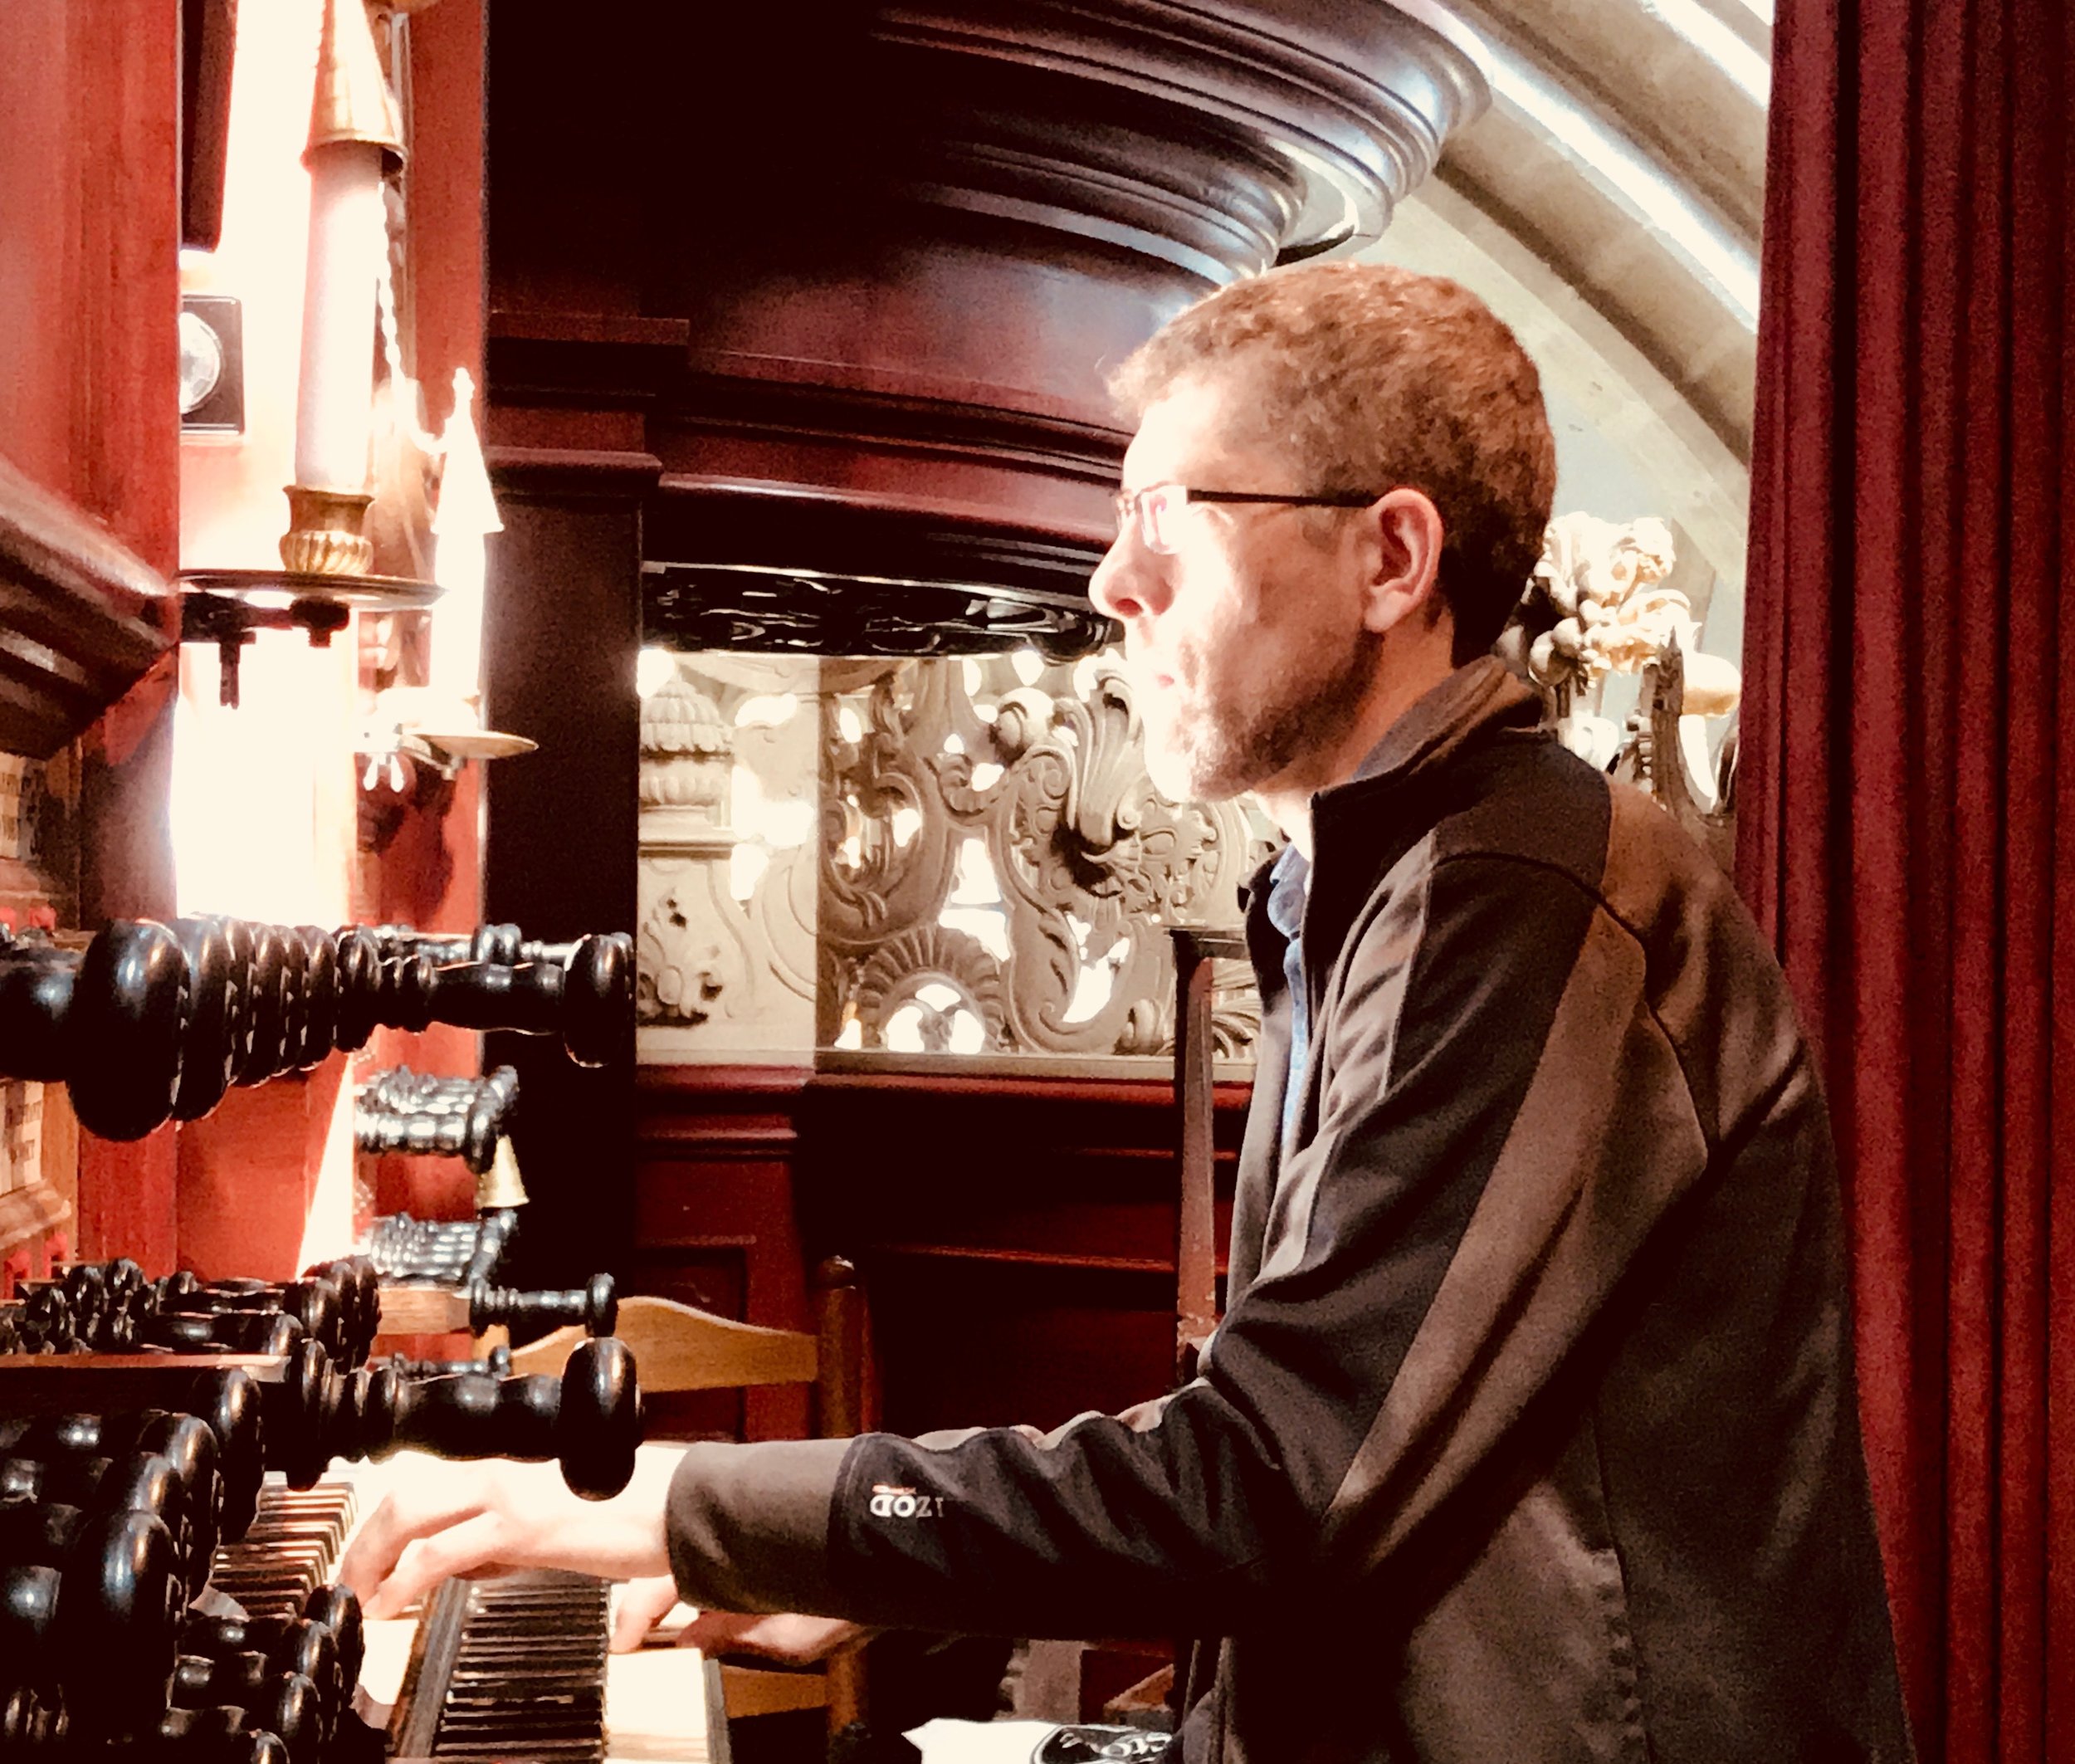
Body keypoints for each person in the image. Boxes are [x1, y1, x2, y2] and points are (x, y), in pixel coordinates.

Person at [339, 261, 1913, 1762]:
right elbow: (1303, 1458)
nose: (1114, 579)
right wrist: (876, 1561)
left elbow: (1269, 1483)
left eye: (1171, 516)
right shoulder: (1368, 880)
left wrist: (690, 1501)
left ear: (1391, 559)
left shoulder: (1528, 902)